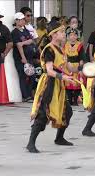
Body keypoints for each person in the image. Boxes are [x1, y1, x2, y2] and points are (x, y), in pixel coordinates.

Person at [27, 22, 82, 153]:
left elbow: (68, 67)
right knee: (43, 113)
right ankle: (31, 143)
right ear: (53, 34)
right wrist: (64, 77)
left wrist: (82, 69)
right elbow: (49, 70)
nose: (64, 34)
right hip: (49, 84)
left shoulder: (62, 49)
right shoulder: (49, 49)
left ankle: (59, 138)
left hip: (58, 84)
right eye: (62, 32)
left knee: (67, 112)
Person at [11, 12, 36, 102]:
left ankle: (29, 93)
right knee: (23, 76)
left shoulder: (24, 30)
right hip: (21, 58)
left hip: (29, 57)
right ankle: (26, 96)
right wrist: (23, 57)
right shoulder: (15, 32)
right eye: (21, 19)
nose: (23, 21)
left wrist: (24, 43)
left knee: (32, 75)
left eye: (23, 19)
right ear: (17, 21)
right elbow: (18, 45)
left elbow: (31, 40)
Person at [63, 28, 86, 106]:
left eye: (75, 35)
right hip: (67, 66)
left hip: (76, 66)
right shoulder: (65, 45)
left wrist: (80, 69)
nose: (73, 37)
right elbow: (63, 56)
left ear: (77, 36)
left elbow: (81, 58)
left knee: (77, 84)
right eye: (71, 35)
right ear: (68, 36)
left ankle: (75, 100)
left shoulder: (80, 45)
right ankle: (69, 100)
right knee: (67, 84)